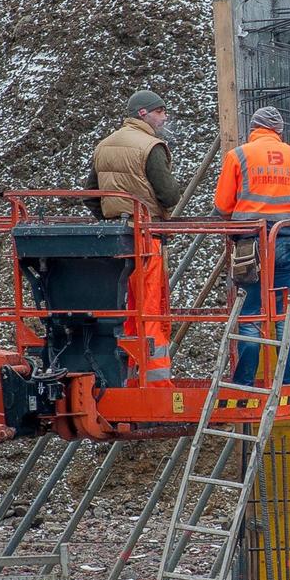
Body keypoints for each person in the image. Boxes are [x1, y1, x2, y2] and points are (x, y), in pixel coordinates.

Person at [213, 106, 290, 385]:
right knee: (284, 315)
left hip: (250, 245)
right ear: (279, 132)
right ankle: (289, 381)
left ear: (254, 129)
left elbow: (222, 205)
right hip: (284, 241)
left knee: (250, 315)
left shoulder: (238, 155)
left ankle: (244, 382)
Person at [86, 89, 182, 383]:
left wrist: (112, 216)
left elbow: (90, 194)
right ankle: (156, 381)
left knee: (123, 309)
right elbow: (169, 194)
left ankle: (121, 376)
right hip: (145, 238)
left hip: (114, 241)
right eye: (159, 111)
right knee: (151, 308)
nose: (164, 117)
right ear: (143, 113)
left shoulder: (104, 145)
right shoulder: (151, 146)